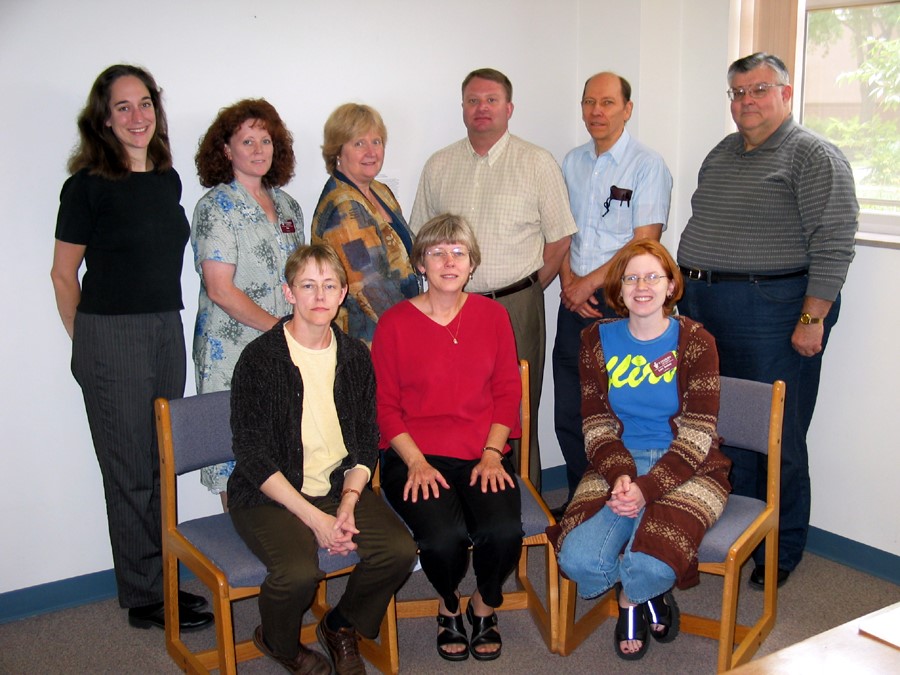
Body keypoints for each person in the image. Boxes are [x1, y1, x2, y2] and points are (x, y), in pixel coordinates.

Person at [677, 52, 858, 588]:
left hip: (774, 313)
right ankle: (736, 536)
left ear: (786, 91)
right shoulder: (723, 152)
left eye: (758, 90)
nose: (746, 102)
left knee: (777, 435)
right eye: (737, 93)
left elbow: (833, 244)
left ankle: (780, 550)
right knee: (724, 431)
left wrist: (812, 318)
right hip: (707, 309)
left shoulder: (813, 155)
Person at [50, 65, 212, 631]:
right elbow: (63, 275)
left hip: (164, 328)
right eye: (123, 107)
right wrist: (88, 346)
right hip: (109, 336)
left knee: (161, 461)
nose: (137, 116)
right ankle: (144, 597)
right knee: (129, 471)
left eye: (144, 104)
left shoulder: (166, 180)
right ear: (103, 118)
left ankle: (164, 580)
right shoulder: (86, 187)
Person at [228, 244, 417, 675]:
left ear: (343, 292)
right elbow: (252, 457)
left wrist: (348, 503)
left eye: (328, 286)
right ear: (289, 292)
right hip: (272, 495)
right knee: (297, 574)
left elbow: (367, 442)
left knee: (398, 550)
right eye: (307, 286)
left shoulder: (354, 356)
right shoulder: (259, 360)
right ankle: (279, 643)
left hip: (336, 487)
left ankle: (340, 624)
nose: (319, 296)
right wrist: (317, 521)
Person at [548, 239, 731, 661]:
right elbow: (595, 423)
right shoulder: (596, 339)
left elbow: (699, 434)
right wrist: (621, 478)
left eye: (653, 276)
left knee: (652, 562)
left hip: (691, 465)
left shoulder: (697, 342)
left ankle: (631, 601)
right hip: (615, 463)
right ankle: (650, 598)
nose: (642, 286)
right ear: (619, 288)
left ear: (671, 286)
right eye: (631, 277)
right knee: (577, 559)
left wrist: (646, 489)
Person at [409, 68, 577, 490]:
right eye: (472, 100)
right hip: (449, 307)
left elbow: (559, 240)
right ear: (462, 108)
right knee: (456, 408)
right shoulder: (439, 164)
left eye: (491, 100)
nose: (481, 108)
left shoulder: (537, 162)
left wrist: (525, 287)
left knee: (517, 408)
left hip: (516, 305)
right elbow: (420, 237)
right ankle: (462, 503)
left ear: (509, 108)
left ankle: (524, 507)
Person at [372, 215, 523, 662]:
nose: (449, 261)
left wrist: (494, 453)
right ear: (421, 263)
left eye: (458, 252)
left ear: (472, 264)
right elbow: (385, 407)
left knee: (503, 531)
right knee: (443, 540)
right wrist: (416, 463)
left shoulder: (494, 316)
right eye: (437, 252)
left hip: (484, 452)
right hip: (414, 455)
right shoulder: (394, 324)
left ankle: (484, 604)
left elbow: (506, 393)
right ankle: (449, 602)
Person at [553, 72, 673, 512]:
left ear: (627, 108)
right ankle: (579, 496)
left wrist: (589, 282)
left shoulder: (646, 165)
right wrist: (568, 281)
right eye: (589, 102)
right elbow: (560, 231)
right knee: (571, 409)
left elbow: (646, 244)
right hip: (574, 300)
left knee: (620, 411)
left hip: (622, 301)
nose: (596, 111)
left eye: (607, 102)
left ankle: (622, 498)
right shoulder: (572, 162)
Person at [191, 99, 304, 507]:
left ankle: (280, 548)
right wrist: (282, 329)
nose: (258, 150)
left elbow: (300, 276)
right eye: (247, 141)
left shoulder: (289, 206)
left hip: (283, 349)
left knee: (281, 447)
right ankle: (239, 558)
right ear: (226, 150)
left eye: (266, 140)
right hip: (231, 352)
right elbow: (221, 289)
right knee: (235, 457)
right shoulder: (214, 207)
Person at [312, 103, 420, 345]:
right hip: (369, 340)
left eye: (377, 142)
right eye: (359, 143)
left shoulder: (380, 191)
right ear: (338, 152)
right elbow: (372, 289)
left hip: (400, 326)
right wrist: (420, 331)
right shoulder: (343, 208)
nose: (371, 152)